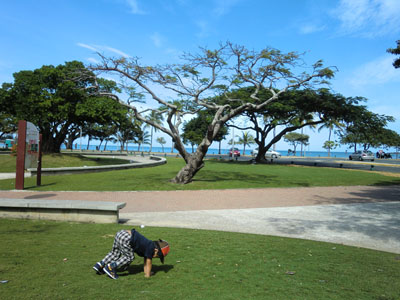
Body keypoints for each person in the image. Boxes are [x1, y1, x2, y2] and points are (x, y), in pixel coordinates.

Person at [93, 228, 170, 279]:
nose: (155, 257)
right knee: (129, 257)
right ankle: (111, 267)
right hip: (127, 238)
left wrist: (147, 272)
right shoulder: (151, 248)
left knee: (115, 252)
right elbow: (149, 262)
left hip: (121, 233)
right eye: (157, 256)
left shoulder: (149, 245)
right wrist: (148, 275)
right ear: (156, 250)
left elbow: (145, 261)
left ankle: (100, 265)